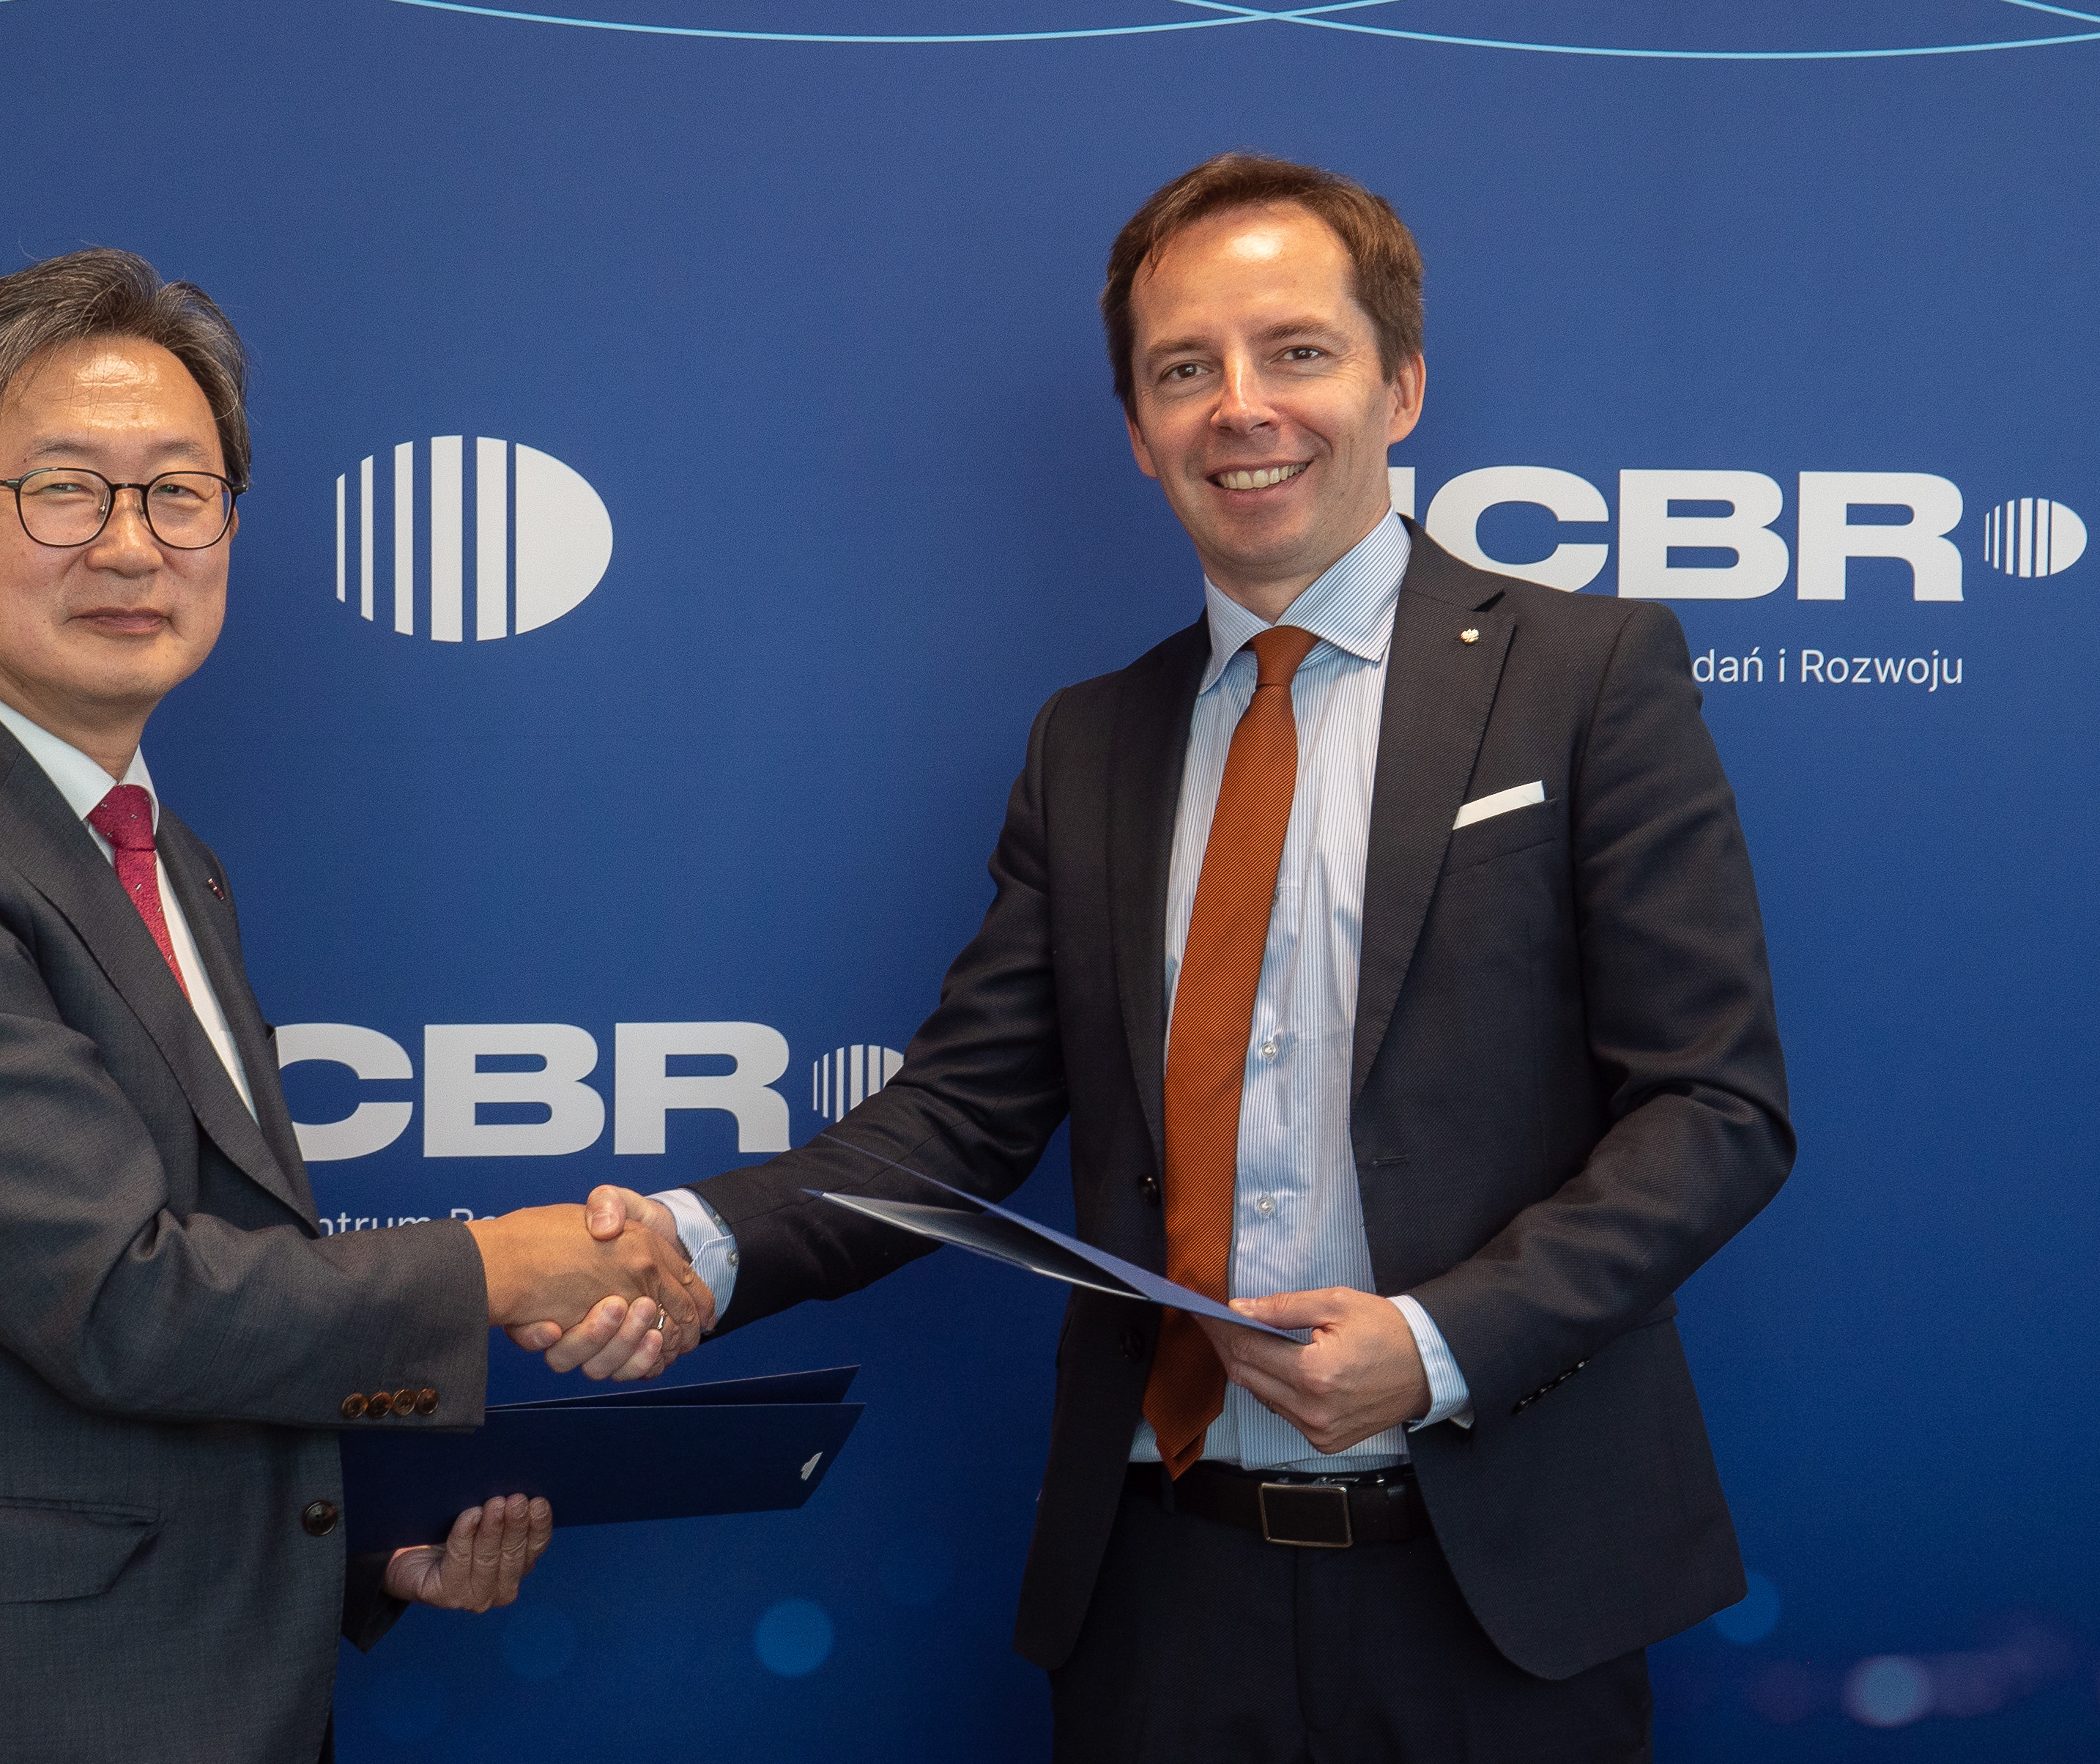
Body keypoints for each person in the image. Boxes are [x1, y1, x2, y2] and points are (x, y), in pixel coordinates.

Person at [596, 154, 1794, 1759]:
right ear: (1138, 428)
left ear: (1402, 385)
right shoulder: (1089, 742)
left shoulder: (1588, 675)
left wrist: (1438, 1344)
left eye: (1296, 350)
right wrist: (698, 1243)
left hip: (1502, 1592)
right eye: (1183, 369)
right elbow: (954, 1121)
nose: (1241, 408)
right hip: (1161, 1594)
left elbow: (1714, 1109)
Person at [0, 248, 713, 1764]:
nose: (132, 545)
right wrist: (505, 1262)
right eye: (63, 491)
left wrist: (366, 1542)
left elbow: (205, 1294)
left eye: (181, 493)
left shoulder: (163, 855)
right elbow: (123, 1302)